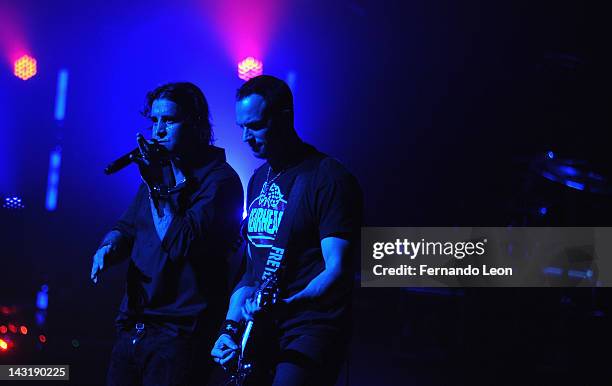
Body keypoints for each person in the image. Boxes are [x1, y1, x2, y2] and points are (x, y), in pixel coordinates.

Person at [211, 75, 362, 385]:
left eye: (254, 126)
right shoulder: (258, 179)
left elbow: (338, 270)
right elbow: (252, 271)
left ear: (285, 116)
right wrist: (230, 328)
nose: (245, 138)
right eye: (241, 127)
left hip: (310, 327)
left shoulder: (328, 177)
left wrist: (288, 305)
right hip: (263, 328)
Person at [91, 82, 244, 386]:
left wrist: (157, 188)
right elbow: (127, 227)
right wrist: (108, 247)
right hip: (134, 326)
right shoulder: (156, 175)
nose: (158, 131)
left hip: (179, 336)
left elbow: (181, 243)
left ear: (197, 125)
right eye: (154, 121)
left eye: (169, 121)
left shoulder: (219, 182)